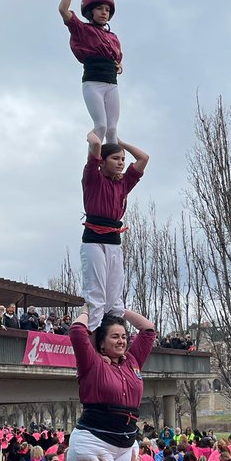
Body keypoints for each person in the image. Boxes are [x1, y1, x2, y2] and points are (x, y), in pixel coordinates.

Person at [65, 308, 156, 461]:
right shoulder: (92, 362)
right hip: (94, 442)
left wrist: (119, 309)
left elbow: (148, 330)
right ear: (101, 343)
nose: (121, 341)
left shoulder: (133, 361)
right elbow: (77, 332)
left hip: (126, 444)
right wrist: (91, 307)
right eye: (115, 336)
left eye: (124, 336)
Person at [79, 130, 149, 330]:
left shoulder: (123, 183)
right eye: (115, 158)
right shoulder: (93, 177)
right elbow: (94, 144)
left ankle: (114, 336)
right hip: (94, 241)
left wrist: (120, 143)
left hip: (114, 242)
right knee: (96, 297)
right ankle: (90, 337)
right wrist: (98, 130)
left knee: (115, 300)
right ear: (102, 161)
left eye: (123, 159)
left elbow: (144, 158)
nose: (121, 163)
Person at [58, 0, 123, 142]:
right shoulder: (83, 30)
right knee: (101, 126)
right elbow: (63, 10)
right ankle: (93, 157)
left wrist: (119, 65)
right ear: (90, 11)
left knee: (112, 129)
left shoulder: (113, 37)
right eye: (100, 8)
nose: (104, 13)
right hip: (93, 83)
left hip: (111, 84)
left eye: (107, 10)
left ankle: (111, 158)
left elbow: (118, 58)